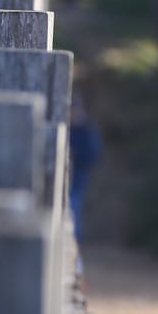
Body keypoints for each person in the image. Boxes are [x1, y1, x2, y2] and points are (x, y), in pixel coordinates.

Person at [67, 97, 102, 244]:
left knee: (73, 211)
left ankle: (75, 247)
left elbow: (93, 155)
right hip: (69, 178)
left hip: (78, 178)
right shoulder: (71, 130)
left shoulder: (88, 131)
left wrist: (75, 155)